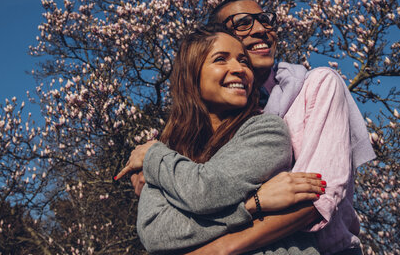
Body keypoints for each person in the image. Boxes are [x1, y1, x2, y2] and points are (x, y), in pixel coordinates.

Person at [186, 0, 375, 255]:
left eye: (265, 20)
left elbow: (316, 199)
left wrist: (218, 249)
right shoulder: (216, 115)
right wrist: (153, 162)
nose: (261, 30)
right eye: (243, 23)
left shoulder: (317, 86)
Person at [116, 24, 326, 254]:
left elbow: (207, 191)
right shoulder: (169, 152)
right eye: (221, 59)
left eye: (243, 61)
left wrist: (152, 156)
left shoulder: (267, 131)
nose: (239, 69)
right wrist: (251, 205)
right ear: (192, 75)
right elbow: (156, 233)